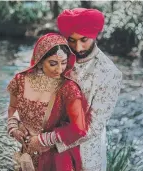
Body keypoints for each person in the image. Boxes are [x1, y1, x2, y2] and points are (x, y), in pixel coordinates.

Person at [7, 33, 91, 171]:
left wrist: (43, 140)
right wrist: (14, 128)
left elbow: (79, 129)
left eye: (63, 63)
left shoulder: (68, 88)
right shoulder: (20, 80)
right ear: (39, 61)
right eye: (53, 63)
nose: (59, 69)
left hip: (56, 160)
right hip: (27, 155)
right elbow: (12, 107)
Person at [56, 8, 123, 171]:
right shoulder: (57, 57)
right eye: (71, 40)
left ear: (94, 35)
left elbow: (93, 126)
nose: (77, 47)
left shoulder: (109, 73)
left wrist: (47, 141)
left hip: (86, 156)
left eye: (84, 40)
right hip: (50, 155)